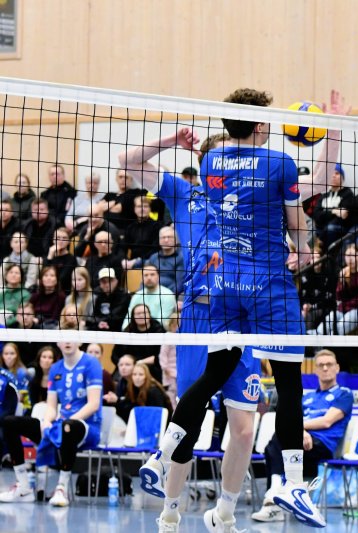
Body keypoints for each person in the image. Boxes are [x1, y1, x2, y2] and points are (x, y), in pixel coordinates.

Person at [121, 95, 323, 529]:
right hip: (200, 315)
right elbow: (129, 162)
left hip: (243, 312)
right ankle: (170, 513)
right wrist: (172, 139)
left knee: (244, 428)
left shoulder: (260, 194)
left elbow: (310, 191)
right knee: (191, 418)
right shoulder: (185, 194)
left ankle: (225, 514)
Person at [253, 349, 354, 522]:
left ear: (337, 368)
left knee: (279, 440)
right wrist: (299, 431)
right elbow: (293, 421)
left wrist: (297, 429)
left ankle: (274, 500)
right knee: (277, 442)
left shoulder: (344, 394)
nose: (325, 368)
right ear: (315, 370)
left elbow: (326, 422)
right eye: (321, 365)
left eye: (329, 364)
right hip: (301, 440)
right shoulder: (308, 397)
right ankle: (276, 496)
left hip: (322, 444)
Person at [0, 340, 102, 507]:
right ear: (58, 343)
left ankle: (61, 488)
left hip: (88, 427)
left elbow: (94, 404)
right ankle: (24, 488)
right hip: (60, 424)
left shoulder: (91, 363)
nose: (67, 341)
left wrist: (65, 422)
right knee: (9, 422)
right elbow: (51, 406)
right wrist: (47, 421)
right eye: (64, 338)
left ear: (80, 341)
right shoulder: (56, 368)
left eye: (72, 337)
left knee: (68, 426)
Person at [312, 243, 358, 335]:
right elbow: (339, 297)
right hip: (344, 308)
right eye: (347, 255)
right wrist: (342, 281)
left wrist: (347, 304)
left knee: (339, 328)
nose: (350, 259)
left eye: (353, 255)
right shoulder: (343, 272)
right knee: (323, 326)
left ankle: (328, 342)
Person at [112, 303, 165, 382]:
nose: (141, 315)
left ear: (149, 315)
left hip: (152, 368)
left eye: (144, 313)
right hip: (129, 368)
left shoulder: (159, 331)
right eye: (138, 314)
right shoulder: (127, 332)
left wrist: (140, 363)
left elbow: (161, 356)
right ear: (133, 317)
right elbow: (115, 356)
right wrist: (127, 365)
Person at [131, 226, 184, 295]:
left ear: (176, 240)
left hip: (169, 295)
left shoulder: (181, 258)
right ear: (159, 241)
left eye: (169, 237)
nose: (166, 240)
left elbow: (179, 285)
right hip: (150, 293)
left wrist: (166, 295)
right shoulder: (154, 257)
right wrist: (140, 294)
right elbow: (145, 278)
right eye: (163, 237)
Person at [311, 163, 354, 248]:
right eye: (331, 173)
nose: (333, 176)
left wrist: (325, 213)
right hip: (321, 228)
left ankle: (326, 254)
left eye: (337, 173)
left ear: (342, 177)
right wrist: (334, 211)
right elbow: (316, 215)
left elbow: (343, 216)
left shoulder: (347, 193)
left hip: (338, 229)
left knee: (330, 228)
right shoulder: (323, 196)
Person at [121, 263, 176, 330]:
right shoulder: (137, 295)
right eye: (146, 275)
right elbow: (128, 317)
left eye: (152, 274)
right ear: (142, 278)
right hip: (137, 332)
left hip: (158, 332)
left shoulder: (167, 295)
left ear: (158, 276)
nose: (149, 278)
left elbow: (162, 322)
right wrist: (125, 331)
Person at [120, 194, 162, 266]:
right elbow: (123, 247)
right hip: (132, 263)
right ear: (134, 209)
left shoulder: (157, 226)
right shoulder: (130, 228)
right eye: (139, 206)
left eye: (145, 206)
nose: (142, 209)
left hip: (150, 263)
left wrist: (139, 260)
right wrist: (124, 259)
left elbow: (156, 249)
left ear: (150, 209)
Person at [91, 267, 131, 332]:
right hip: (97, 327)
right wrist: (99, 322)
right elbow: (91, 314)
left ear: (116, 281)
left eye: (110, 281)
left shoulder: (124, 295)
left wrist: (102, 321)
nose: (107, 284)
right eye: (104, 281)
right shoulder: (95, 294)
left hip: (117, 329)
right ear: (100, 283)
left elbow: (117, 314)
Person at [44, 227, 78, 293]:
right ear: (53, 240)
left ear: (68, 241)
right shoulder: (48, 257)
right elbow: (43, 277)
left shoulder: (71, 259)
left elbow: (62, 279)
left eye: (64, 238)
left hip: (63, 292)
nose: (61, 241)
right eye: (58, 238)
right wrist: (50, 256)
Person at [158, 311, 179, 408]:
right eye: (176, 325)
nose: (178, 327)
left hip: (180, 370)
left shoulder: (184, 337)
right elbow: (163, 354)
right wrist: (165, 368)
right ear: (171, 325)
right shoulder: (168, 337)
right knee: (171, 392)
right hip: (169, 371)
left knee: (180, 391)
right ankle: (173, 411)